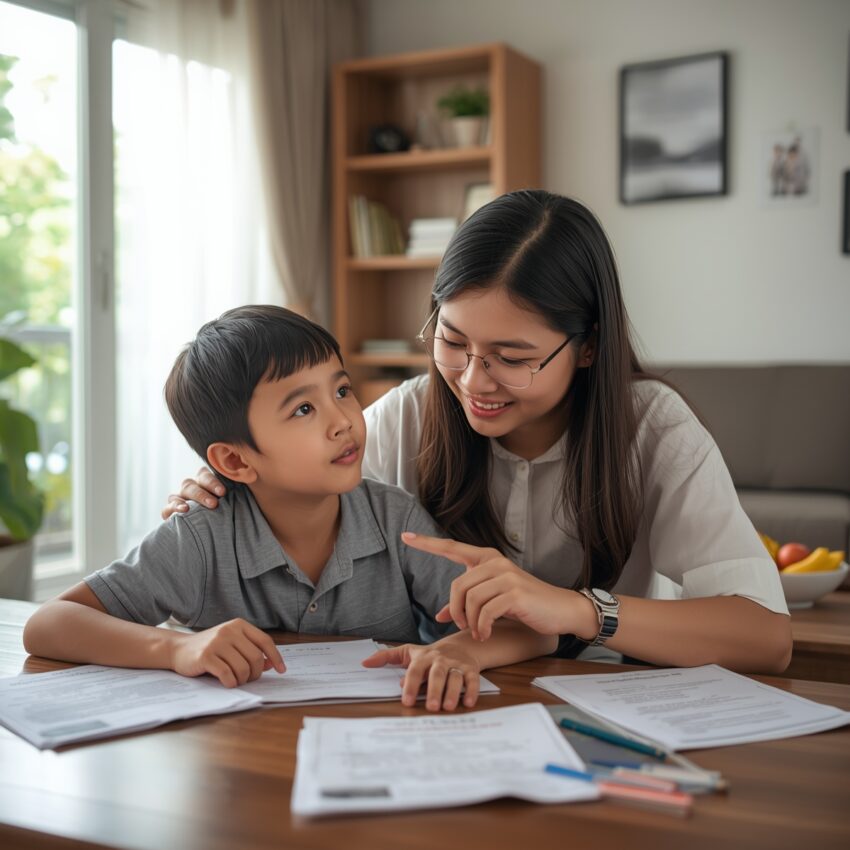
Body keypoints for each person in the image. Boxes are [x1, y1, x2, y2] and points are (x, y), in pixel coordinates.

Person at [163, 191, 792, 674]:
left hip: (603, 697)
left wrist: (577, 609)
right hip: (438, 697)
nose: (473, 381)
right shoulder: (407, 416)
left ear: (589, 348)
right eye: (452, 341)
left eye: (512, 358)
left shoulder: (652, 428)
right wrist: (235, 495)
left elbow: (766, 638)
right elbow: (301, 510)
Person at [24, 306, 554, 712]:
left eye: (342, 390)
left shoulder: (396, 520)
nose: (343, 419)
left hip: (384, 741)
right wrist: (176, 649)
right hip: (246, 757)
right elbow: (49, 624)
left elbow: (529, 627)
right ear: (234, 459)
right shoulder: (202, 535)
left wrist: (459, 650)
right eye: (303, 408)